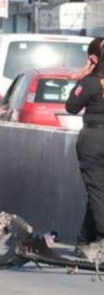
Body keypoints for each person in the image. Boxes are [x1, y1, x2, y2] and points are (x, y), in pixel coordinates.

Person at [65, 37, 104, 259]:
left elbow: (71, 107)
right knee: (97, 192)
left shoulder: (90, 82)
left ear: (92, 58)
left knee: (97, 191)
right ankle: (85, 239)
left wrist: (81, 78)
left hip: (95, 139)